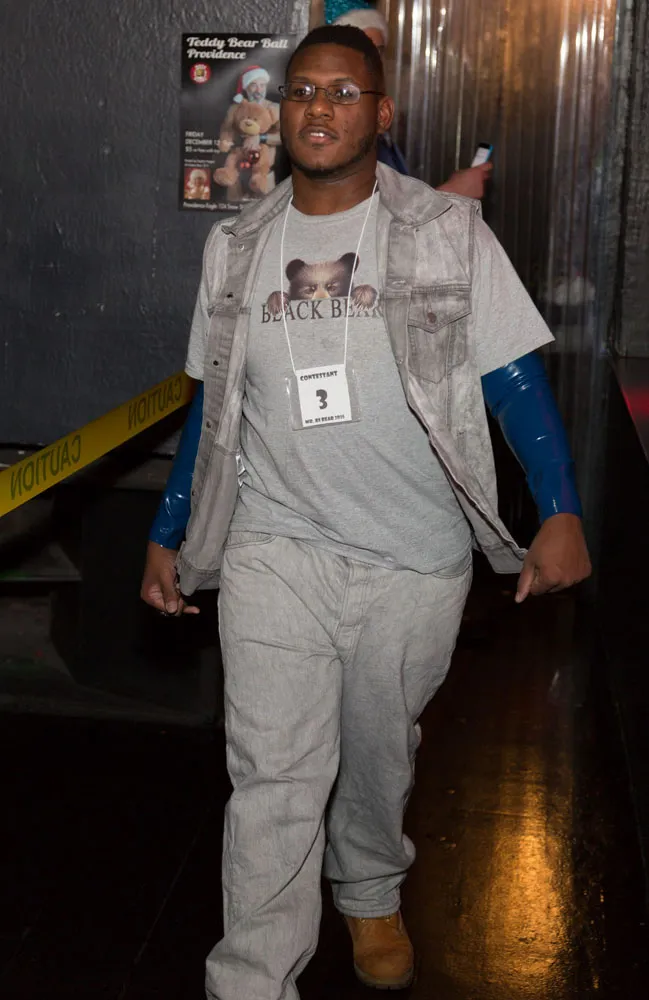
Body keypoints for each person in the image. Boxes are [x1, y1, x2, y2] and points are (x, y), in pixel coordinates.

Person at [141, 25, 591, 1000]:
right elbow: (212, 403)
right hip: (275, 546)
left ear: (381, 114)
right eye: (302, 90)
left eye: (343, 93)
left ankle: (370, 885)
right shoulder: (235, 247)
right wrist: (169, 527)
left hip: (412, 556)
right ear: (279, 111)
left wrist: (558, 507)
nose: (318, 107)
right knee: (274, 776)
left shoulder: (444, 231)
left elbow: (513, 379)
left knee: (380, 757)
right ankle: (252, 979)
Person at [332, 4, 492, 198]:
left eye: (378, 52)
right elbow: (361, 215)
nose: (374, 63)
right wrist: (451, 194)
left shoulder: (376, 124)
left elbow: (396, 203)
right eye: (361, 51)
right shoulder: (332, 132)